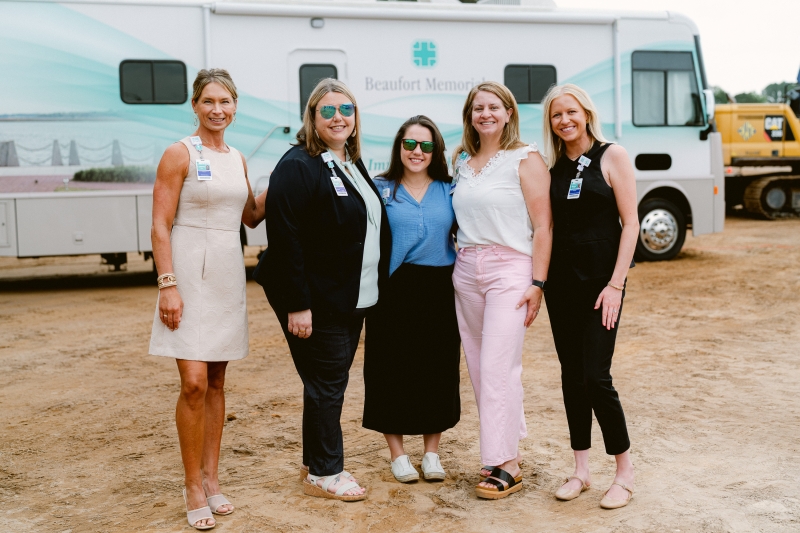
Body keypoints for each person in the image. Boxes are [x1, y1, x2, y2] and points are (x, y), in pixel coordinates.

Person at [253, 79, 391, 502]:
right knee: (328, 384)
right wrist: (298, 305)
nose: (338, 118)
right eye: (327, 110)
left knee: (325, 383)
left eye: (345, 110)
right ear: (312, 118)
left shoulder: (349, 160)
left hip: (352, 297)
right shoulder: (299, 164)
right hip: (317, 301)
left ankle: (315, 463)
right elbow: (285, 236)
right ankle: (328, 471)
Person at [149, 69, 267, 530]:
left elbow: (251, 216)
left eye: (226, 102)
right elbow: (160, 224)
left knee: (216, 381)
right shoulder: (179, 153)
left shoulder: (237, 157)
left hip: (226, 271)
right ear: (194, 105)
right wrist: (168, 284)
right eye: (208, 101)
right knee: (193, 382)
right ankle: (192, 485)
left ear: (235, 106)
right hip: (187, 271)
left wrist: (289, 177)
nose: (218, 109)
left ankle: (212, 478)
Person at [450, 82, 552, 500]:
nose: (485, 114)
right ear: (469, 115)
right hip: (466, 269)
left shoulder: (525, 159)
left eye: (494, 107)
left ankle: (506, 462)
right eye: (478, 108)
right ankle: (504, 447)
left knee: (497, 365)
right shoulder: (462, 161)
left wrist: (538, 283)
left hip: (510, 269)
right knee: (480, 365)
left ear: (509, 112)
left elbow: (544, 226)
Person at [541, 83, 638, 509]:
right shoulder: (552, 167)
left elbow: (631, 223)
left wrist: (616, 283)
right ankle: (580, 469)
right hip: (562, 288)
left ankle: (624, 473)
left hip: (603, 286)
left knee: (597, 376)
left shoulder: (612, 155)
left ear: (585, 113)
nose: (565, 120)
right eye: (556, 115)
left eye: (571, 112)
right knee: (571, 376)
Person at [364, 115, 460, 483]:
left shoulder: (450, 188)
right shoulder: (380, 188)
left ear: (436, 150)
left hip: (439, 288)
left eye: (425, 145)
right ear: (398, 147)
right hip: (393, 290)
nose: (416, 152)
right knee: (390, 369)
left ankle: (432, 454)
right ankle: (398, 455)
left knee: (437, 368)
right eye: (409, 144)